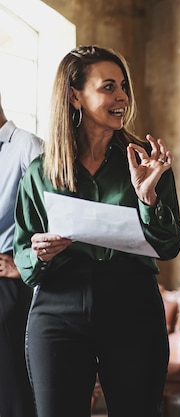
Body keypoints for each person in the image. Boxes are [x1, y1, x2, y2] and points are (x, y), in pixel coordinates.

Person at [13, 45, 180, 417]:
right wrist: (39, 252)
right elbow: (23, 258)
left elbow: (170, 245)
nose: (122, 96)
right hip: (58, 305)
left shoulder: (147, 162)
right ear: (75, 96)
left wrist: (148, 197)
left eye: (123, 86)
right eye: (108, 87)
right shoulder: (41, 171)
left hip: (132, 304)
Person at [0, 93, 42, 417]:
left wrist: (21, 260)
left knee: (14, 391)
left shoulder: (27, 146)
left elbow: (52, 214)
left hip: (12, 285)